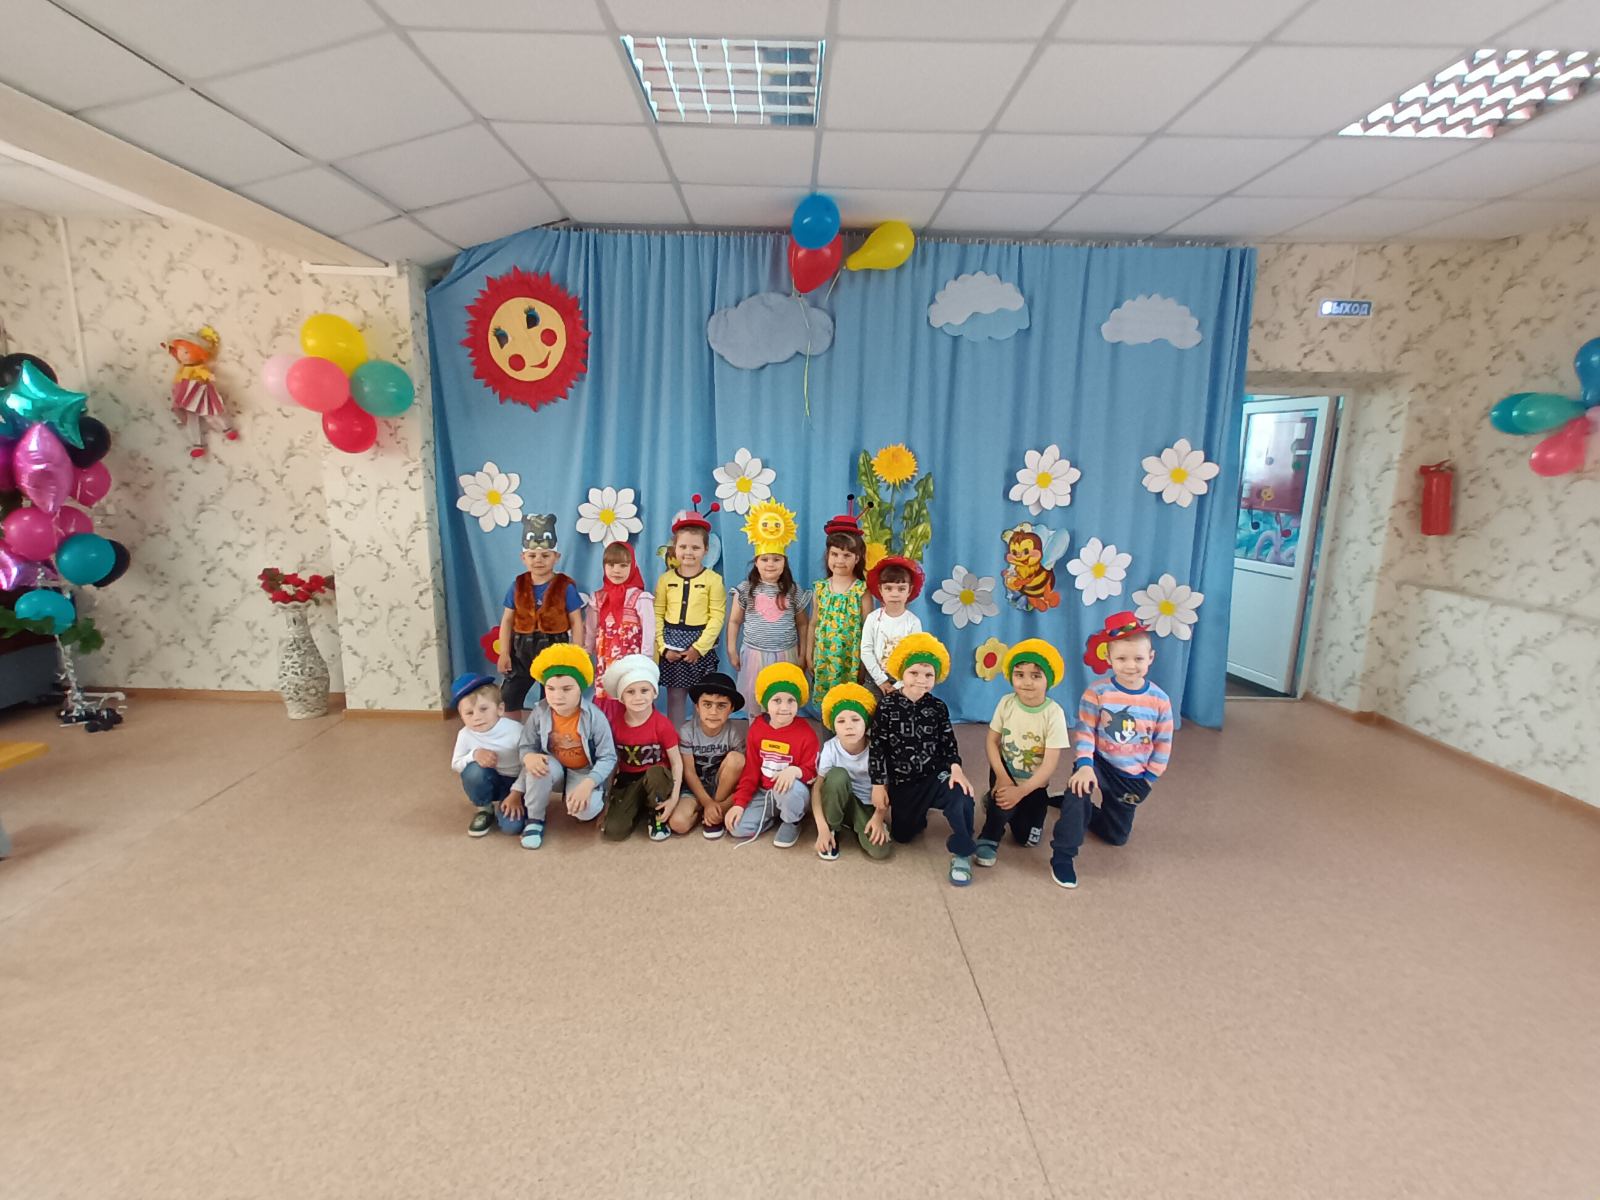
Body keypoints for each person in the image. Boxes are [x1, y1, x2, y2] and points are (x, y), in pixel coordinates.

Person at [1049, 612, 1174, 889]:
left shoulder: (1160, 701)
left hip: (1132, 774)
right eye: (1122, 659)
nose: (1130, 666)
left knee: (1116, 836)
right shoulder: (1097, 692)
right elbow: (1085, 731)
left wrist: (1149, 778)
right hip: (1097, 763)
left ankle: (1084, 811)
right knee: (1078, 794)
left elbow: (1163, 743)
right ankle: (1063, 854)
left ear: (1151, 658)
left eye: (1138, 659)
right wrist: (1084, 765)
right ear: (1109, 659)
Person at [868, 632, 977, 886]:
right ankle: (917, 814)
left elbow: (948, 742)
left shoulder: (938, 707)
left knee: (961, 796)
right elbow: (877, 748)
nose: (921, 680)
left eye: (928, 675)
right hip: (903, 783)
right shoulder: (887, 706)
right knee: (904, 835)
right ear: (901, 673)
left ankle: (963, 850)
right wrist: (878, 784)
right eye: (914, 673)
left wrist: (956, 768)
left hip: (934, 776)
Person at [499, 645, 615, 850]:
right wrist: (528, 757)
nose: (557, 696)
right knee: (539, 767)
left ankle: (588, 795)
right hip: (554, 766)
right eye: (550, 688)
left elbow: (608, 757)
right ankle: (535, 820)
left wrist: (588, 784)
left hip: (583, 770)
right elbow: (527, 745)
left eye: (566, 689)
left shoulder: (594, 717)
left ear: (580, 688)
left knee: (585, 811)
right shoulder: (540, 712)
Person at [974, 639, 1071, 868]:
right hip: (1005, 773)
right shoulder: (1006, 703)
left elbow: (1049, 764)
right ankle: (990, 834)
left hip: (1034, 785)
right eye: (1019, 674)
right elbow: (992, 741)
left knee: (1026, 840)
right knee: (1001, 808)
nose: (1027, 682)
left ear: (1048, 680)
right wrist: (1002, 778)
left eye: (1036, 676)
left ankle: (1015, 806)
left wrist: (1021, 792)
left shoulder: (1054, 713)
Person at [726, 497, 810, 714]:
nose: (770, 564)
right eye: (765, 559)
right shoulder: (746, 589)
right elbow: (734, 621)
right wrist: (732, 649)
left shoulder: (793, 590)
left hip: (786, 655)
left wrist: (802, 654)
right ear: (756, 562)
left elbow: (803, 624)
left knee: (782, 701)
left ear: (784, 562)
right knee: (756, 702)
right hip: (755, 655)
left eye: (776, 559)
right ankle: (756, 730)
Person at [497, 513, 584, 716]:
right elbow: (507, 621)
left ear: (556, 557)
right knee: (510, 697)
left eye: (545, 555)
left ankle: (551, 731)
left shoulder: (565, 586)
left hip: (554, 647)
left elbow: (576, 622)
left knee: (554, 697)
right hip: (521, 649)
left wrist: (576, 654)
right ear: (523, 558)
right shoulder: (517, 585)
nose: (538, 560)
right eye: (532, 556)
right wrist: (504, 652)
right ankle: (512, 732)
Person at [726, 662, 819, 848]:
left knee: (789, 792)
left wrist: (795, 771)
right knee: (737, 828)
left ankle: (792, 821)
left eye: (791, 701)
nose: (784, 707)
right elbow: (751, 770)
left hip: (792, 791)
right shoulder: (757, 729)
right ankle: (773, 816)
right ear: (766, 703)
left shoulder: (807, 733)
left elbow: (813, 772)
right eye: (777, 700)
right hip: (764, 793)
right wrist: (739, 803)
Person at [655, 496, 727, 726]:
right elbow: (657, 614)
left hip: (700, 645)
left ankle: (701, 738)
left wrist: (699, 648)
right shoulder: (665, 580)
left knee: (703, 697)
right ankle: (675, 739)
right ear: (674, 548)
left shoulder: (713, 580)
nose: (689, 552)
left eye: (695, 547)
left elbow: (717, 616)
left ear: (706, 550)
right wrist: (663, 647)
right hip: (672, 645)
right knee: (675, 696)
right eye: (683, 546)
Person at [596, 654, 684, 842]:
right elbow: (613, 762)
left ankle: (656, 812)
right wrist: (607, 801)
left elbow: (677, 762)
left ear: (654, 693)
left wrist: (674, 798)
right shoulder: (614, 724)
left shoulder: (662, 724)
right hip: (629, 780)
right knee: (614, 832)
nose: (638, 697)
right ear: (621, 697)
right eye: (630, 692)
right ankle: (637, 806)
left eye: (644, 690)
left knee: (655, 773)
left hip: (657, 778)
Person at [812, 682, 889, 862]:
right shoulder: (830, 748)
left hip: (865, 804)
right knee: (837, 775)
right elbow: (817, 788)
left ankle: (855, 821)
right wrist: (822, 828)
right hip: (838, 799)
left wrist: (879, 817)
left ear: (866, 723)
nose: (849, 726)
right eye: (841, 721)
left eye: (855, 719)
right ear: (833, 726)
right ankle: (834, 826)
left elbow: (885, 788)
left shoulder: (876, 750)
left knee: (880, 851)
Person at [806, 499, 872, 702]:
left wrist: (863, 665)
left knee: (848, 703)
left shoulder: (861, 591)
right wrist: (809, 654)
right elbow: (813, 623)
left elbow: (868, 630)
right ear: (828, 555)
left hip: (850, 660)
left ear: (857, 558)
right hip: (824, 658)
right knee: (827, 705)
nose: (840, 560)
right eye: (835, 554)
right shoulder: (820, 588)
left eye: (846, 555)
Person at [670, 672, 747, 838]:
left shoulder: (733, 733)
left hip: (723, 788)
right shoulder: (687, 732)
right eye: (707, 704)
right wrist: (707, 802)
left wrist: (715, 803)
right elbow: (689, 772)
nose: (713, 712)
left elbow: (741, 769)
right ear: (697, 707)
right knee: (678, 823)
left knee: (737, 759)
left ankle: (716, 809)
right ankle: (711, 812)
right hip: (695, 789)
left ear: (731, 709)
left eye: (721, 706)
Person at [448, 672, 523, 838]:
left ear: (500, 709)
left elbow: (529, 765)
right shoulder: (465, 735)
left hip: (516, 783)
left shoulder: (515, 731)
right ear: (461, 716)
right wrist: (474, 755)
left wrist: (516, 793)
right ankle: (485, 809)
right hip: (490, 780)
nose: (477, 717)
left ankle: (514, 804)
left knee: (511, 828)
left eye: (483, 709)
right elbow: (456, 764)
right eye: (469, 713)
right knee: (473, 771)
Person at [588, 540, 654, 699]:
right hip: (605, 662)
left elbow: (649, 631)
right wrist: (586, 650)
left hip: (632, 663)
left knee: (629, 694)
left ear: (633, 567)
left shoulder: (640, 597)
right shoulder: (598, 598)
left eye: (623, 565)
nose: (616, 570)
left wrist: (646, 660)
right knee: (607, 693)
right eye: (611, 565)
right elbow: (590, 628)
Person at [860, 555, 924, 694]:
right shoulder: (873, 619)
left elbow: (914, 655)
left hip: (904, 680)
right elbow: (866, 651)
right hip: (874, 679)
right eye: (888, 588)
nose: (895, 594)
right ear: (880, 590)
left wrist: (899, 685)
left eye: (901, 589)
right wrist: (881, 680)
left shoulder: (913, 622)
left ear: (909, 590)